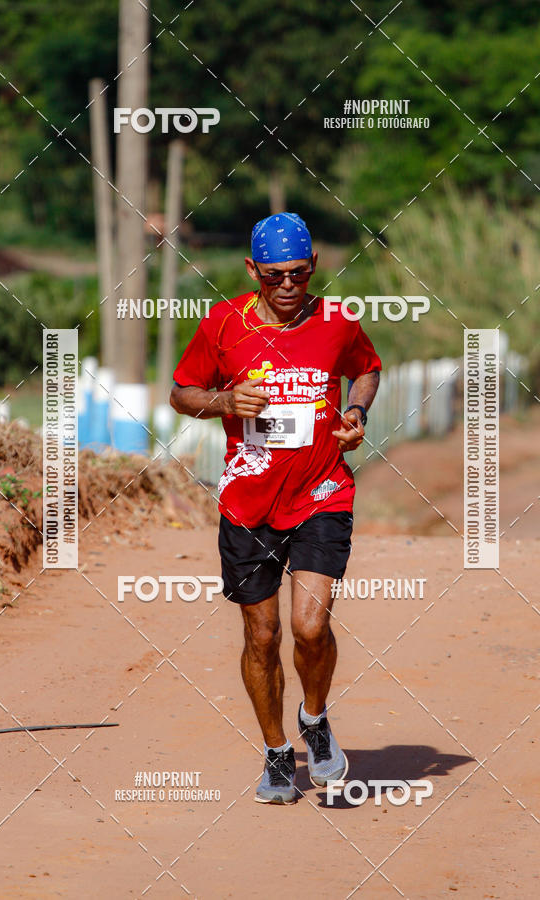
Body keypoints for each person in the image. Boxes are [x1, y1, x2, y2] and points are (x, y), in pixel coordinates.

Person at [170, 212, 381, 804]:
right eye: (273, 277)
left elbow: (365, 369)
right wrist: (222, 399)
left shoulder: (338, 321)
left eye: (297, 274)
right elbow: (181, 393)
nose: (287, 287)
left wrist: (357, 415)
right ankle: (276, 752)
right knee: (261, 636)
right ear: (252, 271)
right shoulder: (223, 324)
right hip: (247, 502)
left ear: (312, 267)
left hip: (321, 493)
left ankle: (314, 719)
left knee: (309, 626)